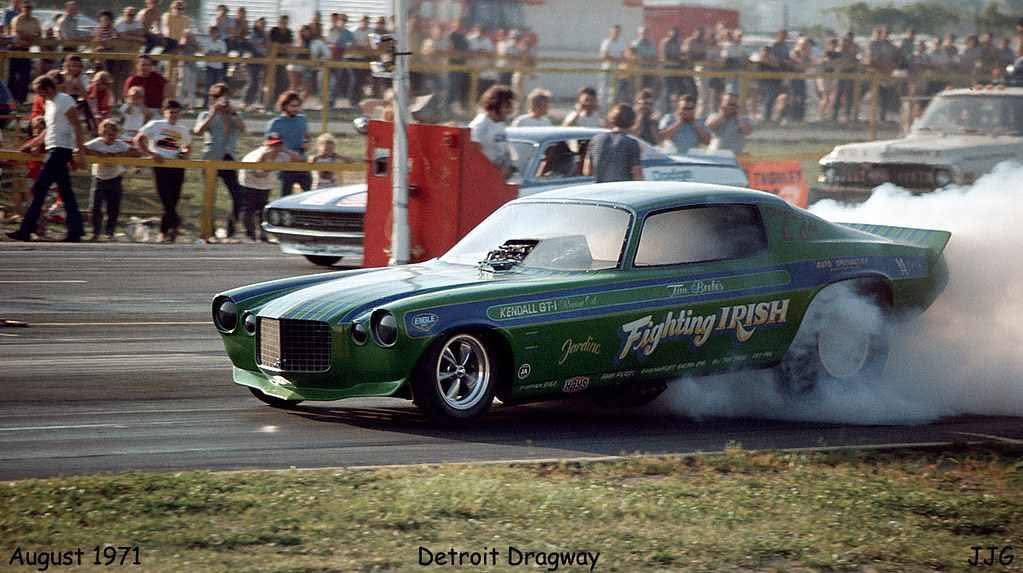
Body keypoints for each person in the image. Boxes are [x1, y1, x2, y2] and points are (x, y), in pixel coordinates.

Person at [7, 76, 86, 242]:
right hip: (53, 148)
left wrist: (80, 151)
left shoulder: (64, 100)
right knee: (65, 192)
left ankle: (27, 229)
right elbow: (48, 130)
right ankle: (76, 230)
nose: (39, 96)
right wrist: (32, 143)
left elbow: (77, 125)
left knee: (39, 188)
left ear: (49, 88)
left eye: (40, 92)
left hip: (61, 149)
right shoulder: (49, 104)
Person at [134, 99, 191, 243]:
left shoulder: (182, 129)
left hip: (177, 166)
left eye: (177, 113)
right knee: (166, 199)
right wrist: (151, 154)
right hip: (160, 165)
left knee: (173, 200)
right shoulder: (156, 124)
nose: (174, 115)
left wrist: (184, 154)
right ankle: (176, 225)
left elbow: (188, 147)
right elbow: (138, 139)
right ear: (164, 112)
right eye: (171, 112)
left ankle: (164, 233)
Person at [194, 83, 244, 237]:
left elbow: (242, 128)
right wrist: (212, 114)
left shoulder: (234, 114)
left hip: (228, 157)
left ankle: (230, 228)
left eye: (224, 97)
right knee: (209, 197)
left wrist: (231, 113)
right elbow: (198, 131)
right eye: (217, 97)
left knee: (238, 196)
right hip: (211, 157)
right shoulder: (205, 114)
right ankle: (209, 230)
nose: (221, 100)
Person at [238, 134, 301, 241]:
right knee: (249, 209)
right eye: (273, 145)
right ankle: (250, 235)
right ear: (266, 145)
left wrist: (285, 151)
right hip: (249, 182)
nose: (275, 147)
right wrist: (264, 158)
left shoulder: (282, 154)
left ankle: (263, 234)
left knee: (263, 209)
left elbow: (298, 159)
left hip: (265, 185)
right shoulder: (257, 154)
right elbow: (257, 173)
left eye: (278, 144)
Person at [84, 119, 136, 240]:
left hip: (115, 178)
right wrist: (97, 154)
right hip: (99, 179)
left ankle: (110, 232)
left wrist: (119, 155)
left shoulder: (119, 144)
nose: (111, 137)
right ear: (102, 133)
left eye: (113, 134)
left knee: (113, 208)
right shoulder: (96, 143)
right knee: (95, 207)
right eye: (108, 134)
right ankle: (96, 233)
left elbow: (136, 152)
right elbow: (80, 149)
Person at [582, 103, 642, 183]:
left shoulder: (595, 140)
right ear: (632, 122)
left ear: (611, 119)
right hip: (623, 189)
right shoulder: (631, 143)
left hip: (599, 188)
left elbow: (586, 171)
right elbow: (637, 174)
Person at [265, 90, 310, 196]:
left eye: (298, 106)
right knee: (285, 196)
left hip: (301, 162)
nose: (296, 109)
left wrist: (306, 143)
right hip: (284, 164)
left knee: (309, 194)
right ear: (284, 106)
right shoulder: (276, 123)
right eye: (293, 106)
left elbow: (306, 136)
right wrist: (290, 153)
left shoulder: (302, 120)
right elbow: (271, 144)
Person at [469, 84, 516, 178]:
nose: (509, 111)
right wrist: (493, 172)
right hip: (485, 177)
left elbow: (505, 151)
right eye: (507, 106)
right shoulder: (480, 126)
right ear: (495, 104)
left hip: (501, 176)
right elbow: (474, 156)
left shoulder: (499, 124)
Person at [9, 1, 41, 103]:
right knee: (12, 76)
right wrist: (30, 37)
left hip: (26, 49)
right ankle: (10, 99)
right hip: (15, 49)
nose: (28, 10)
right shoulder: (17, 19)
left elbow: (38, 33)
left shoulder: (35, 20)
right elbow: (18, 33)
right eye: (26, 7)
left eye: (29, 8)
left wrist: (30, 38)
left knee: (25, 76)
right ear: (22, 8)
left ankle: (22, 99)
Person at [599, 25, 625, 106]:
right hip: (607, 69)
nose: (616, 33)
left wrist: (617, 59)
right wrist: (616, 59)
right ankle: (602, 108)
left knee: (615, 91)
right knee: (604, 90)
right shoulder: (606, 42)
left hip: (617, 70)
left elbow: (623, 55)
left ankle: (612, 108)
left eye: (618, 32)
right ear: (611, 32)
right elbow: (604, 55)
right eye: (615, 31)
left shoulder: (621, 43)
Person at [203, 26, 228, 106]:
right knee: (208, 86)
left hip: (219, 68)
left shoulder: (222, 43)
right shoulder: (207, 42)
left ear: (218, 33)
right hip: (209, 67)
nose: (214, 34)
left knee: (218, 87)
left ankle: (217, 104)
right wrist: (217, 54)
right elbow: (206, 54)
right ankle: (206, 104)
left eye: (216, 32)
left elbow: (224, 54)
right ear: (210, 33)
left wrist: (213, 54)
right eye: (212, 32)